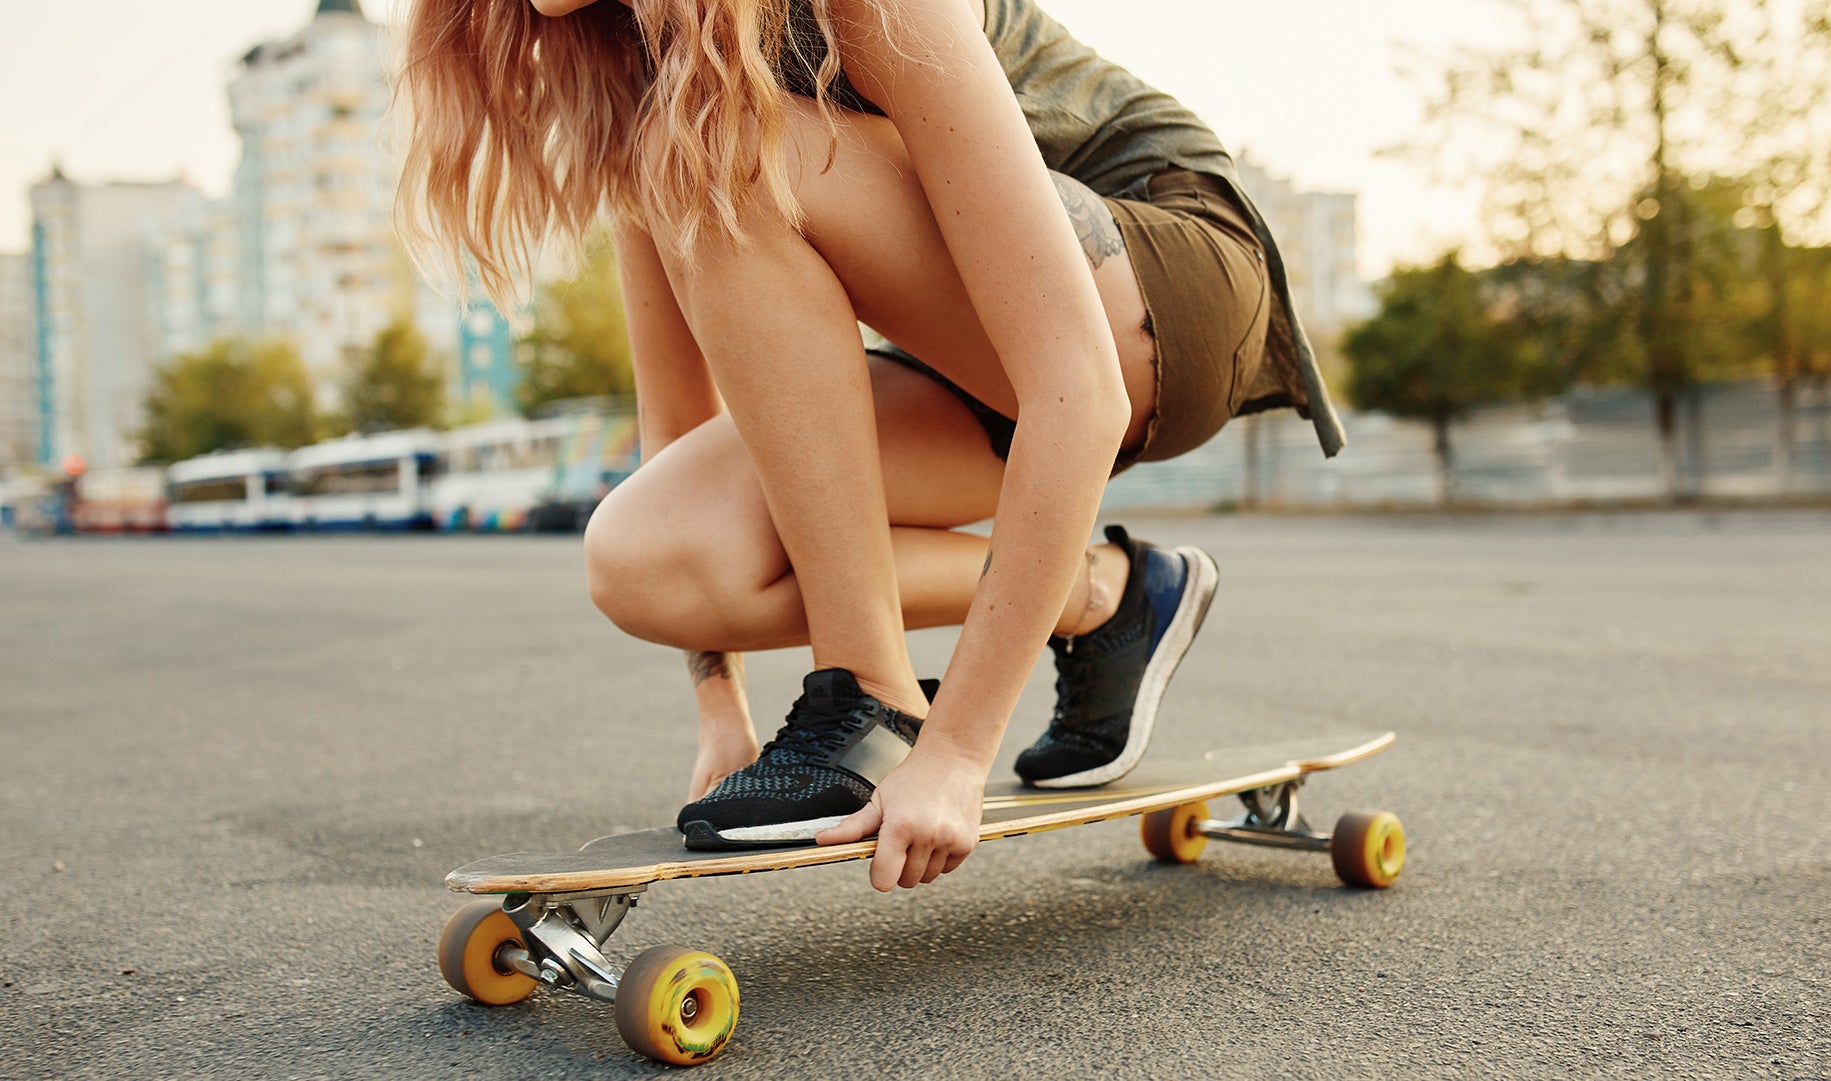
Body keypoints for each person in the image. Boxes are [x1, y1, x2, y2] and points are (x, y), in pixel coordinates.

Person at [394, 0, 1343, 893]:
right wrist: (722, 711)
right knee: (649, 560)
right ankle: (1104, 596)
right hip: (977, 356)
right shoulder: (655, 77)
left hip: (1159, 291)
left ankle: (871, 697)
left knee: (729, 150)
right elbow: (676, 427)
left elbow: (1079, 390)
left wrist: (959, 752)